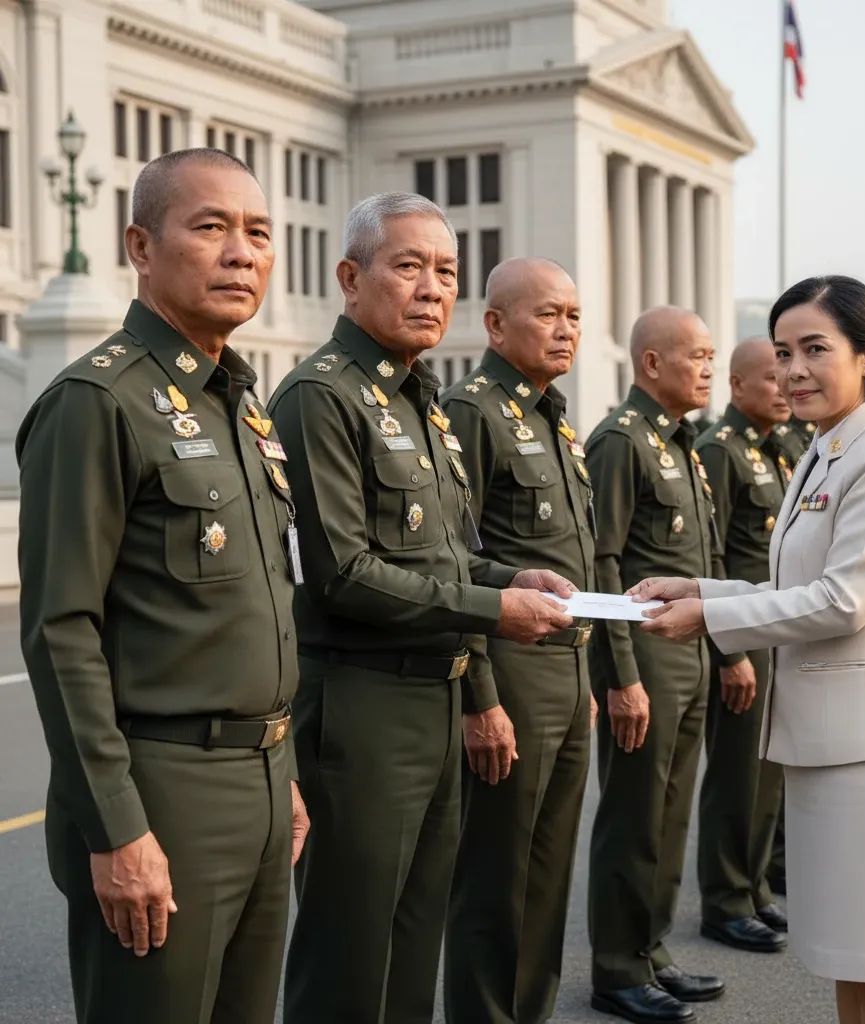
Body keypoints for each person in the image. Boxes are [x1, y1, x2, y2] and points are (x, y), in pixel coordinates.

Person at [17, 149, 309, 1024]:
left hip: (262, 781)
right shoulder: (96, 402)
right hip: (163, 792)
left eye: (258, 232)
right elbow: (60, 631)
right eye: (210, 227)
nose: (241, 253)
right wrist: (118, 827)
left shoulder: (242, 406)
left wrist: (278, 765)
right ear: (141, 246)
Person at [269, 193, 574, 1024]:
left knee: (413, 950)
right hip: (364, 710)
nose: (432, 288)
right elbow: (342, 573)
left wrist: (512, 579)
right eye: (408, 267)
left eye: (445, 271)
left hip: (437, 698)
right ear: (349, 277)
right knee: (349, 956)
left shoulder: (421, 402)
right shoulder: (318, 397)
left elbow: (448, 556)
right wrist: (491, 609)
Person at [633, 276, 865, 1024]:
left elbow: (845, 600)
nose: (795, 369)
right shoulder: (827, 450)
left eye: (816, 349)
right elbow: (795, 580)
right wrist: (703, 591)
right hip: (828, 743)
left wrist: (711, 622)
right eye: (783, 352)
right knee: (850, 957)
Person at [442, 257, 597, 1024]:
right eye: (548, 314)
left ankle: (527, 1012)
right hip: (509, 670)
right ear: (495, 325)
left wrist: (596, 678)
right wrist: (481, 696)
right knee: (496, 874)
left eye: (573, 314)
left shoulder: (551, 415)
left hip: (568, 669)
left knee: (548, 869)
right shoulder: (471, 411)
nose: (566, 328)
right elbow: (457, 560)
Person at [585, 307, 725, 1024]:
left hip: (689, 651)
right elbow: (602, 561)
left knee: (669, 814)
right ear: (651, 364)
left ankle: (650, 948)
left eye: (711, 355)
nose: (708, 367)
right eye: (696, 355)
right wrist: (621, 676)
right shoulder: (620, 441)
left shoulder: (682, 443)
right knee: (634, 813)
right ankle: (615, 965)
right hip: (644, 654)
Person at [695, 338, 791, 954]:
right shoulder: (719, 451)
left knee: (766, 773)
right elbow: (713, 554)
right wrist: (729, 650)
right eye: (771, 377)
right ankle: (726, 901)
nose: (784, 388)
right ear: (737, 385)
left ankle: (754, 886)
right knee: (735, 773)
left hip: (775, 627)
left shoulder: (778, 451)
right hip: (740, 633)